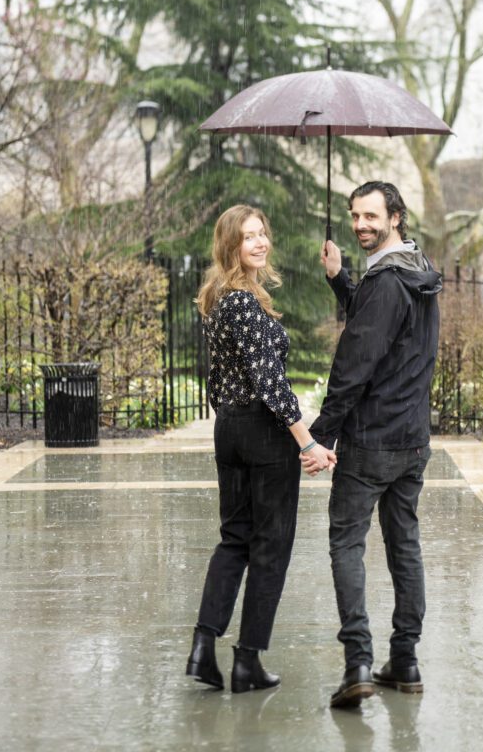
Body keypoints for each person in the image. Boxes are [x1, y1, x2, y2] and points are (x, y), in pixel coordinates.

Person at [303, 181, 442, 709]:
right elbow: (380, 324)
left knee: (346, 544)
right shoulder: (415, 268)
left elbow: (355, 364)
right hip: (412, 440)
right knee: (404, 544)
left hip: (371, 442)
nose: (360, 225)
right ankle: (403, 661)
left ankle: (358, 661)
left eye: (370, 216)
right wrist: (341, 280)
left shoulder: (387, 282)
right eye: (354, 216)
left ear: (396, 218)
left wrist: (322, 436)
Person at [186, 204, 335, 694]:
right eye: (248, 237)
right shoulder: (245, 303)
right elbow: (270, 382)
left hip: (228, 429)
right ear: (230, 246)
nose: (260, 242)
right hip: (261, 431)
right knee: (270, 546)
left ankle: (204, 645)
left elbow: (219, 376)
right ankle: (247, 661)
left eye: (262, 233)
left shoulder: (218, 298)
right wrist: (307, 440)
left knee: (234, 539)